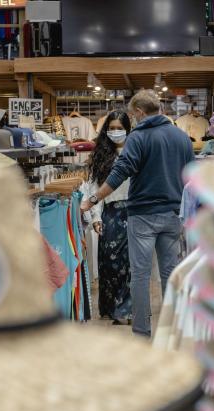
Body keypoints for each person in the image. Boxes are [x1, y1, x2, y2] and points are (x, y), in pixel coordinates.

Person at [86, 90, 194, 337]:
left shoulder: (138, 137)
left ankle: (143, 331)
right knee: (170, 274)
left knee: (141, 276)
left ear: (139, 112)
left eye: (133, 115)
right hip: (173, 214)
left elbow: (120, 171)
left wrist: (93, 199)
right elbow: (192, 178)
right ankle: (172, 330)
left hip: (143, 215)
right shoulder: (182, 138)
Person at [82, 111, 133, 325]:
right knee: (109, 261)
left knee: (130, 262)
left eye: (119, 128)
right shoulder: (101, 155)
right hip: (110, 212)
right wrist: (95, 216)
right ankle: (109, 306)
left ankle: (125, 310)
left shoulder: (135, 151)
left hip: (133, 211)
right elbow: (93, 187)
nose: (115, 132)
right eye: (111, 128)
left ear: (128, 129)